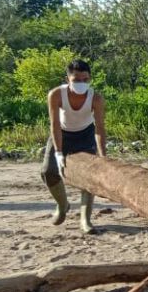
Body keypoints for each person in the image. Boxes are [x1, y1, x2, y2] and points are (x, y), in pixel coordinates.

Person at [41, 59, 107, 234]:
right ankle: (63, 206)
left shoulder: (96, 98)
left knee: (88, 177)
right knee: (48, 171)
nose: (81, 84)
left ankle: (85, 220)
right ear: (67, 79)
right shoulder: (56, 94)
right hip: (62, 133)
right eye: (77, 80)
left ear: (90, 79)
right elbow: (54, 124)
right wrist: (58, 152)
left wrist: (103, 156)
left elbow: (99, 128)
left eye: (85, 80)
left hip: (85, 135)